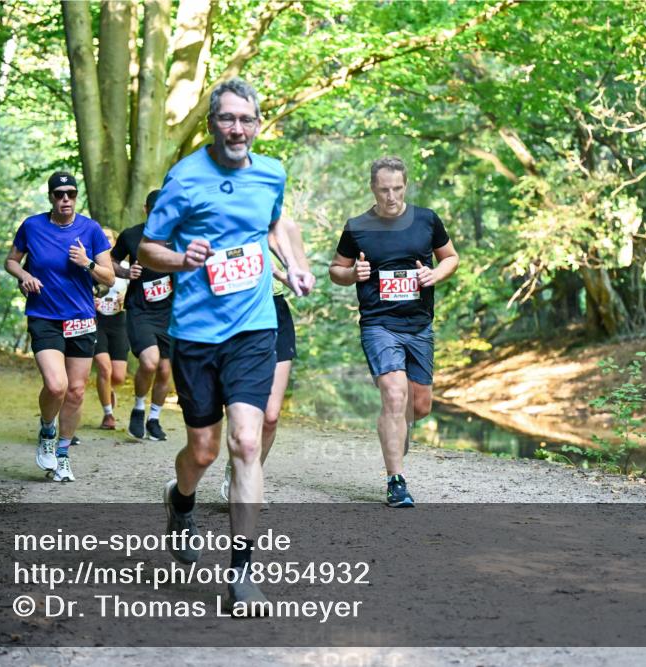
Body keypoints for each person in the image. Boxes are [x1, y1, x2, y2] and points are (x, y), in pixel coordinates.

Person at [139, 78, 314, 612]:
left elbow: (277, 222)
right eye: (227, 119)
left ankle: (242, 574)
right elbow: (148, 248)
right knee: (204, 450)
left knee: (246, 441)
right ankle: (180, 498)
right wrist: (181, 259)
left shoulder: (271, 172)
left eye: (247, 119)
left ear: (258, 123)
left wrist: (295, 264)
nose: (237, 128)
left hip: (253, 327)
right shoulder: (185, 178)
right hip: (195, 334)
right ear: (212, 122)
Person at [328, 156, 458, 508]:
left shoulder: (427, 219)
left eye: (397, 188)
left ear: (406, 185)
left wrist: (436, 274)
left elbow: (450, 257)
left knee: (419, 406)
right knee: (394, 395)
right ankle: (396, 481)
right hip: (379, 324)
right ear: (373, 188)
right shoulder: (357, 226)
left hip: (419, 325)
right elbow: (335, 270)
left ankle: (398, 429)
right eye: (384, 189)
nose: (391, 196)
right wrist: (352, 274)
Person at [5, 171, 114, 483]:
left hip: (81, 317)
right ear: (50, 197)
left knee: (77, 391)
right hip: (45, 315)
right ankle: (47, 429)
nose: (65, 199)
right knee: (56, 385)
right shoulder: (32, 226)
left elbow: (108, 277)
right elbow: (11, 261)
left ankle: (63, 455)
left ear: (76, 196)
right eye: (59, 194)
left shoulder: (91, 230)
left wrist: (87, 263)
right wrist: (23, 276)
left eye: (71, 193)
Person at [220, 219, 311, 501]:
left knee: (270, 416)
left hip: (275, 313)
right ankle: (243, 477)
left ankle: (243, 473)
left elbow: (302, 285)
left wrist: (284, 275)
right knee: (241, 412)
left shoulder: (287, 227)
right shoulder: (227, 217)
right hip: (235, 313)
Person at [111, 189, 174, 441]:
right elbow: (111, 261)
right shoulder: (131, 235)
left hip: (170, 312)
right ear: (146, 209)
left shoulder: (177, 235)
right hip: (140, 310)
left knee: (166, 371)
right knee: (149, 362)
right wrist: (126, 273)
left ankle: (154, 418)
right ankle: (138, 408)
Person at [92, 226, 130, 431]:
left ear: (115, 242)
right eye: (102, 238)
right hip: (96, 321)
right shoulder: (91, 265)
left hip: (118, 321)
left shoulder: (124, 266)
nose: (106, 241)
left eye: (109, 238)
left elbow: (135, 289)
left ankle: (109, 390)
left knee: (118, 376)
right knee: (104, 368)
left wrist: (127, 297)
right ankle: (108, 415)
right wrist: (91, 300)